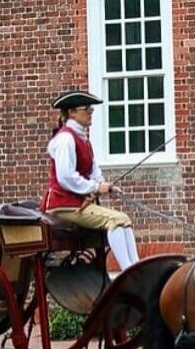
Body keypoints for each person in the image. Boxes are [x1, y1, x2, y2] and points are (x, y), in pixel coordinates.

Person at [43, 90, 139, 271]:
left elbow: (94, 171)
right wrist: (95, 187)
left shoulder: (83, 139)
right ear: (71, 112)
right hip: (63, 205)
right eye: (86, 109)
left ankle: (136, 266)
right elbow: (66, 178)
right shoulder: (65, 139)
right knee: (117, 220)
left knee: (124, 220)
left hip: (78, 204)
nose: (90, 112)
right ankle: (129, 272)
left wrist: (106, 185)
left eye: (91, 109)